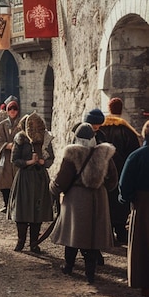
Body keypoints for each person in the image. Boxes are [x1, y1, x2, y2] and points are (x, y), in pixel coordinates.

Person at [50, 122, 118, 284]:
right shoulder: (104, 154)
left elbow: (62, 180)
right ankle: (90, 273)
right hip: (99, 198)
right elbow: (113, 180)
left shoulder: (72, 154)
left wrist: (54, 189)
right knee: (92, 237)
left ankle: (69, 265)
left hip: (76, 198)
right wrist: (102, 189)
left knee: (73, 234)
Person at [99, 97, 141, 244]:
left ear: (109, 109)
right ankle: (121, 234)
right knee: (120, 205)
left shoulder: (101, 130)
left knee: (105, 204)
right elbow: (134, 155)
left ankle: (107, 234)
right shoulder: (128, 132)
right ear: (121, 110)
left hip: (104, 174)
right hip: (122, 173)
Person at [118, 120, 149, 297]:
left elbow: (124, 186)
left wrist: (128, 200)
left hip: (144, 209)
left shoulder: (137, 156)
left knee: (145, 254)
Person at [7, 127, 54, 253]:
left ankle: (34, 243)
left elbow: (51, 159)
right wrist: (29, 162)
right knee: (22, 210)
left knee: (37, 211)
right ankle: (20, 241)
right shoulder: (21, 138)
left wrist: (44, 162)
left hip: (40, 179)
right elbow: (15, 160)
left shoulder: (45, 138)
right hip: (25, 178)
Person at [0, 100, 21, 213]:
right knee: (4, 182)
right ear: (7, 111)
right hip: (4, 156)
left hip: (17, 156)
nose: (12, 111)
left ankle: (15, 205)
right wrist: (7, 145)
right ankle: (6, 204)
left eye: (14, 109)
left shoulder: (21, 124)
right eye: (10, 109)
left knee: (16, 181)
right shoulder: (2, 125)